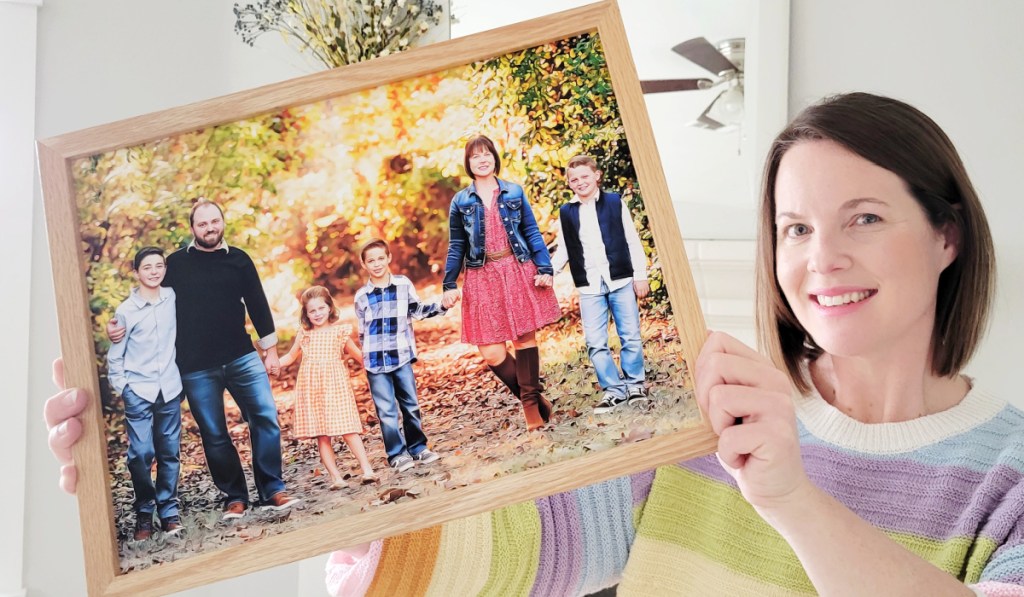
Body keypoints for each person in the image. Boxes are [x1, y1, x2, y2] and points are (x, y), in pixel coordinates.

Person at [46, 94, 1024, 596]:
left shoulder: (1008, 474)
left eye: (862, 219)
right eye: (796, 226)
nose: (821, 260)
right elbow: (514, 563)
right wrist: (143, 479)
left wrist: (792, 500)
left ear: (946, 234)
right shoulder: (710, 407)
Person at [107, 199, 300, 520]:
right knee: (214, 433)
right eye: (202, 223)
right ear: (192, 228)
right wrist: (119, 325)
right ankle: (235, 496)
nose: (210, 228)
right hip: (195, 368)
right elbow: (148, 293)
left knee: (265, 418)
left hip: (241, 356)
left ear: (222, 222)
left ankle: (273, 488)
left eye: (215, 221)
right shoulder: (176, 264)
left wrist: (270, 350)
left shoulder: (238, 259)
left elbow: (257, 302)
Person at [441, 135, 562, 431]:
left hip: (516, 268)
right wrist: (448, 284)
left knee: (523, 338)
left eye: (487, 154)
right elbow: (457, 245)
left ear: (494, 157)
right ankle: (534, 397)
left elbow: (531, 231)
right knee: (491, 351)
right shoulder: (461, 200)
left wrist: (545, 267)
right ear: (468, 163)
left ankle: (531, 408)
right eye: (475, 156)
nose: (482, 159)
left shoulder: (513, 192)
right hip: (481, 276)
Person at [550, 154, 651, 414]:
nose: (580, 182)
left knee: (630, 335)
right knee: (596, 342)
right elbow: (564, 249)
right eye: (574, 179)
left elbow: (631, 240)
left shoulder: (614, 203)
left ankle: (635, 384)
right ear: (569, 183)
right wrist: (548, 272)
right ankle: (614, 391)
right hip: (590, 286)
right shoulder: (567, 212)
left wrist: (640, 274)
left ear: (597, 175)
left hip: (620, 278)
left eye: (585, 176)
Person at [106, 247, 184, 540]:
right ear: (136, 272)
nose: (154, 271)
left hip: (170, 388)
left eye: (159, 266)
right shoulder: (125, 311)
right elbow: (116, 355)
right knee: (140, 454)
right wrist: (123, 388)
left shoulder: (173, 298)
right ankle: (144, 511)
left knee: (169, 452)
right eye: (147, 267)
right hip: (138, 390)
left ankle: (168, 511)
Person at [354, 239, 446, 472]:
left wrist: (441, 305)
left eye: (380, 259)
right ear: (364, 265)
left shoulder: (403, 285)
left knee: (410, 405)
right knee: (386, 410)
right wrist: (365, 360)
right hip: (375, 362)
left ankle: (418, 448)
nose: (376, 264)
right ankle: (397, 453)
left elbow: (417, 311)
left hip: (402, 355)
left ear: (389, 259)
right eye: (371, 261)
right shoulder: (362, 296)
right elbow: (362, 333)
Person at [278, 285, 377, 489]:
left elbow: (360, 357)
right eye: (312, 311)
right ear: (305, 313)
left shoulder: (339, 331)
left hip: (336, 386)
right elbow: (290, 356)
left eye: (321, 308)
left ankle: (367, 469)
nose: (317, 314)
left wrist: (378, 368)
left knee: (349, 429)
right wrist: (272, 363)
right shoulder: (304, 334)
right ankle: (336, 478)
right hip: (311, 389)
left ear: (330, 308)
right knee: (322, 435)